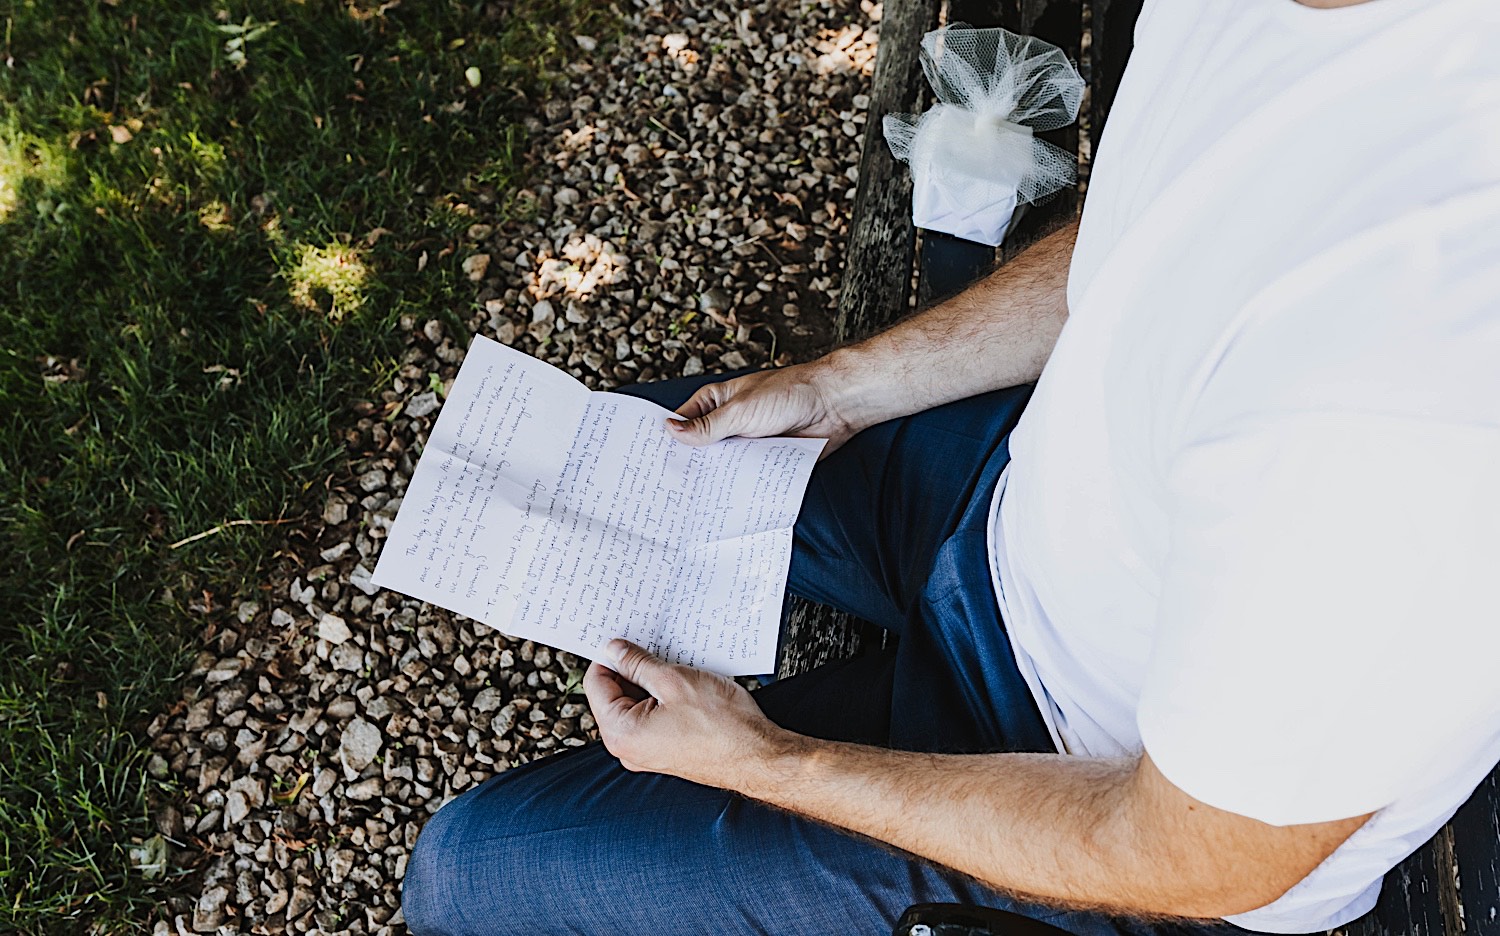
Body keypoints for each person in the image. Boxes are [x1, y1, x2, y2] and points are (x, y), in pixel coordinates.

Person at [400, 0, 1500, 932]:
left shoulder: (1421, 409)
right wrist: (841, 386)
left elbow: (1204, 854)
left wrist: (767, 763)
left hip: (1073, 778)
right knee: (598, 450)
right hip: (1014, 500)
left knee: (467, 870)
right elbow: (1160, 224)